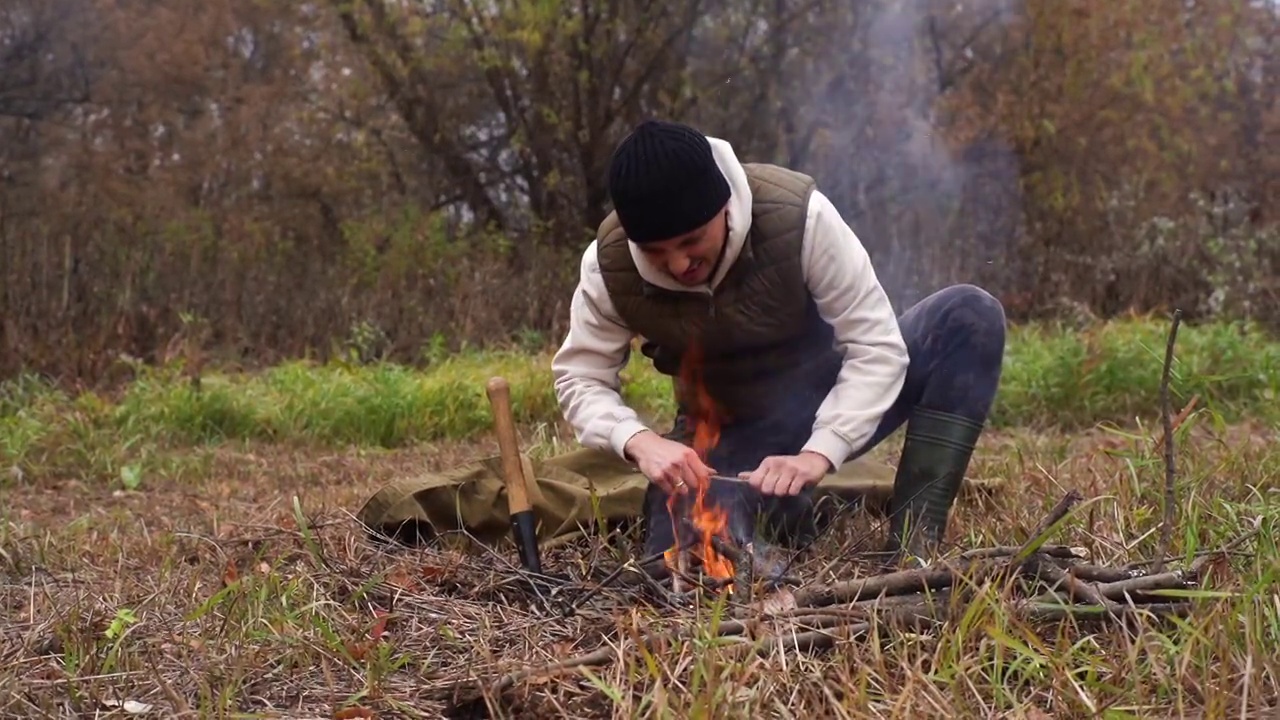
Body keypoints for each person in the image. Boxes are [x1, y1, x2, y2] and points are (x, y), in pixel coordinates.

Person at [550, 119, 1007, 567]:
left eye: (692, 240)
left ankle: (914, 548)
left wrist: (818, 452)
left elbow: (875, 346)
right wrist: (641, 441)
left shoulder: (801, 218)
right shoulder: (607, 266)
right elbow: (579, 377)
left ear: (725, 206)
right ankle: (776, 528)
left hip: (829, 392)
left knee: (967, 315)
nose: (678, 264)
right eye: (655, 251)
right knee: (688, 556)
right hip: (724, 435)